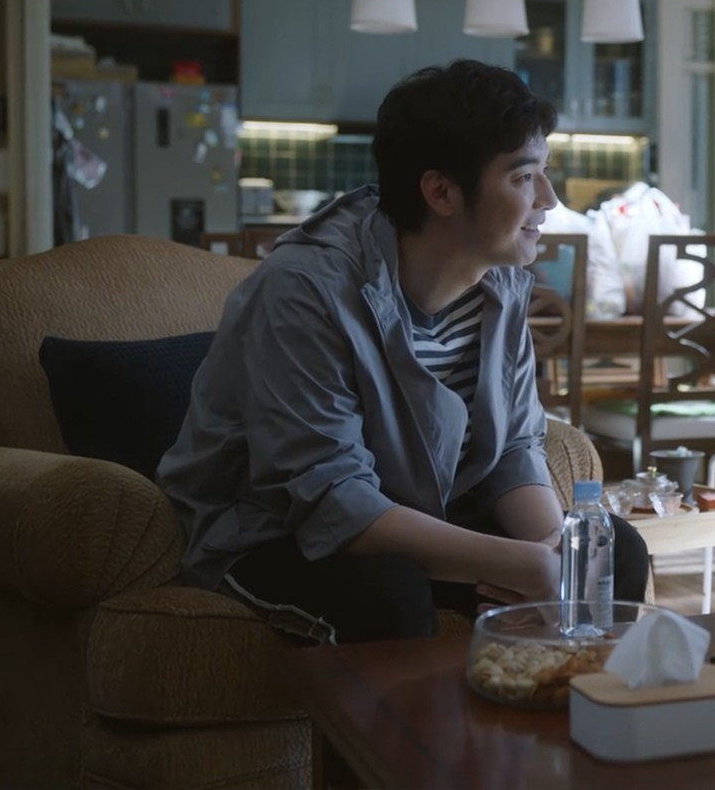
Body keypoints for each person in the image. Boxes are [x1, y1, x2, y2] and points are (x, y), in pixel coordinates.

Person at [160, 60, 649, 644]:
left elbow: (514, 447)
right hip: (276, 531)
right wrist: (518, 565)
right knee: (389, 594)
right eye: (524, 177)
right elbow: (331, 499)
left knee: (610, 552)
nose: (548, 198)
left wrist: (553, 555)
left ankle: (560, 702)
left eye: (544, 173)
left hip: (429, 514)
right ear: (441, 192)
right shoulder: (306, 290)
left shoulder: (500, 281)